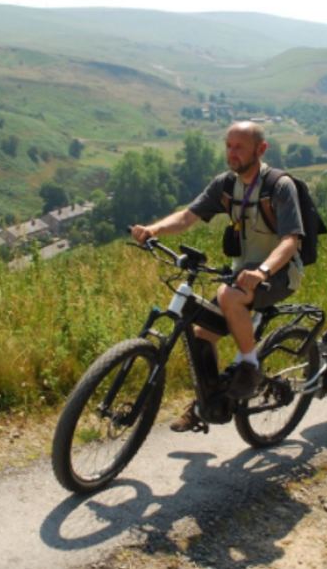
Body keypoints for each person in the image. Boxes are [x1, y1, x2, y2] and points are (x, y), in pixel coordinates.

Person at [131, 121, 305, 432]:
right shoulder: (226, 185)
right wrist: (154, 229)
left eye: (239, 147)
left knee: (228, 295)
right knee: (201, 336)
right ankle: (206, 404)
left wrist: (263, 270)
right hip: (242, 276)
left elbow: (291, 241)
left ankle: (250, 368)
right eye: (228, 146)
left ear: (260, 149)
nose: (231, 153)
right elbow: (187, 217)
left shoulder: (279, 186)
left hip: (279, 273)